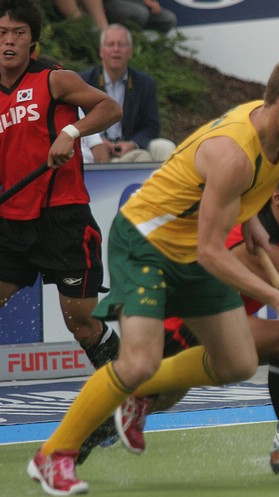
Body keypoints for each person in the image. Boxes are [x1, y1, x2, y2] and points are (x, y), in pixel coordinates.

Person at [27, 53, 279, 496]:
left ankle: (140, 394)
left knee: (237, 362)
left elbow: (240, 193)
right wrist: (278, 299)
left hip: (190, 248)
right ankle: (52, 455)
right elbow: (214, 252)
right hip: (145, 244)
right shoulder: (234, 153)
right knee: (139, 359)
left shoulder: (278, 138)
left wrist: (249, 216)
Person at [75, 146, 279, 472]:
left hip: (223, 324)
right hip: (181, 326)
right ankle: (67, 449)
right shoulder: (257, 244)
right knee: (143, 394)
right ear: (278, 198)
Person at [0, 1, 122, 371]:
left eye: (18, 33)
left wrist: (71, 132)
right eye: (2, 33)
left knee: (80, 322)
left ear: (32, 39)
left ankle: (127, 385)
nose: (9, 41)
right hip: (10, 224)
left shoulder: (54, 79)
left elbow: (110, 108)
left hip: (63, 220)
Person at [80, 24, 176, 163]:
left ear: (130, 51)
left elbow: (151, 126)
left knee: (165, 147)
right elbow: (77, 121)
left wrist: (133, 144)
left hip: (129, 147)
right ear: (101, 51)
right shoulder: (84, 82)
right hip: (96, 149)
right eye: (111, 44)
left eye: (122, 45)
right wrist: (98, 142)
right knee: (143, 158)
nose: (116, 50)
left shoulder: (144, 83)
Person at [103, 0, 176, 33]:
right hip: (108, 5)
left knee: (168, 20)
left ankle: (151, 47)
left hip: (135, 4)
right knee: (140, 14)